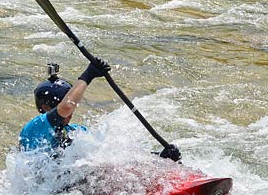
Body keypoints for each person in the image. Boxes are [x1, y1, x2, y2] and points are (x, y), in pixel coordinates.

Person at [19, 60, 181, 162]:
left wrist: (157, 157)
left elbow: (112, 156)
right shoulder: (34, 129)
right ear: (46, 108)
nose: (71, 112)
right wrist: (88, 75)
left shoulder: (76, 132)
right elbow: (66, 106)